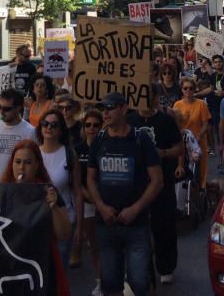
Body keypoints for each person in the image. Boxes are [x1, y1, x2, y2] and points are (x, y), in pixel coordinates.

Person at [86, 92, 163, 296]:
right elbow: (90, 179)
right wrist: (101, 207)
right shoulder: (99, 140)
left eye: (110, 108)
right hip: (106, 224)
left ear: (123, 108)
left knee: (140, 282)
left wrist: (136, 208)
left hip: (136, 224)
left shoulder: (140, 139)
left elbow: (157, 180)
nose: (105, 113)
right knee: (110, 283)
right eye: (103, 109)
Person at [0, 140, 72, 296]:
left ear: (37, 165)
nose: (21, 167)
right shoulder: (1, 192)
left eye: (27, 162)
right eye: (17, 162)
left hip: (41, 265)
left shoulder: (47, 192)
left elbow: (64, 234)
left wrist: (53, 207)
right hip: (9, 267)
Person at [128, 84, 184, 285]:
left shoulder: (166, 121)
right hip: (136, 184)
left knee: (164, 225)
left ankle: (166, 265)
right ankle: (143, 269)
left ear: (154, 98)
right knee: (137, 228)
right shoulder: (128, 120)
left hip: (163, 182)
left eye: (148, 95)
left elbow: (179, 148)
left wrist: (164, 154)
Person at [36, 109, 84, 269]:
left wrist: (79, 225)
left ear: (61, 130)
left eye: (54, 125)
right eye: (45, 124)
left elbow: (77, 191)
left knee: (59, 274)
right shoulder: (33, 154)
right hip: (38, 222)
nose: (48, 128)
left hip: (63, 220)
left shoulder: (69, 154)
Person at [0, 89, 36, 184]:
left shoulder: (30, 131)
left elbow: (35, 162)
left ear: (18, 108)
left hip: (19, 188)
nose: (1, 112)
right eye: (0, 107)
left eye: (6, 109)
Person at [74, 109, 103, 286]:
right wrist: (91, 198)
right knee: (94, 245)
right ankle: (100, 280)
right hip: (88, 203)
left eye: (95, 125)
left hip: (108, 202)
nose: (91, 129)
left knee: (111, 244)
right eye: (88, 125)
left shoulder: (108, 145)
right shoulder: (78, 149)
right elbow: (76, 181)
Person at [172, 79, 211, 189]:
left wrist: (198, 135)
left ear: (195, 90)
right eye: (185, 88)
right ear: (182, 90)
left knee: (200, 168)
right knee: (182, 166)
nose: (188, 90)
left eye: (191, 88)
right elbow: (175, 123)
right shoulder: (177, 104)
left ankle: (200, 189)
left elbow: (205, 123)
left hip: (198, 142)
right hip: (182, 141)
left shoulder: (201, 104)